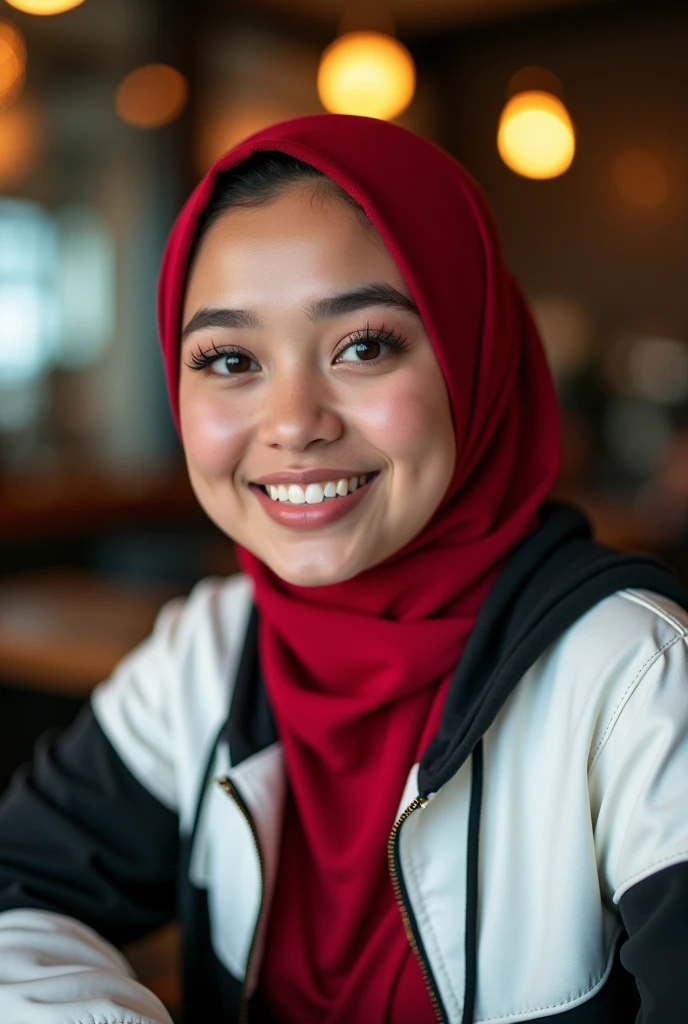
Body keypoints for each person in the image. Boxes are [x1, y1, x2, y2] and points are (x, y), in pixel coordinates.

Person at [0, 113, 687, 1024]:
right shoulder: (211, 649)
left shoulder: (639, 674)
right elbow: (18, 888)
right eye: (231, 358)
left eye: (364, 346)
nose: (293, 421)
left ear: (473, 358)